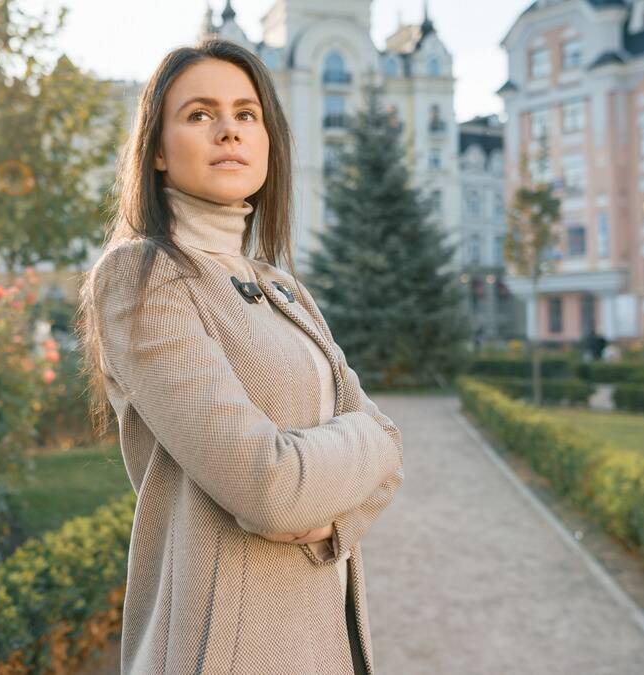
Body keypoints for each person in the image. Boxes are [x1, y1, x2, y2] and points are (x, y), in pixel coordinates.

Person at [75, 39, 403, 675]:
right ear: (159, 151)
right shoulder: (142, 276)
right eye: (199, 114)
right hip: (224, 647)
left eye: (246, 113)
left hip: (328, 642)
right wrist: (354, 460)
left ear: (268, 140)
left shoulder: (282, 287)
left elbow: (390, 445)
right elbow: (269, 489)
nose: (228, 128)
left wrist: (347, 481)